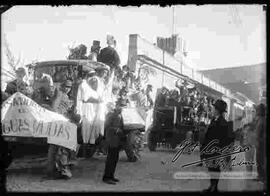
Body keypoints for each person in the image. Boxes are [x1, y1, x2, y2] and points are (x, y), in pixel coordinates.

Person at [201, 99, 231, 192]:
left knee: (215, 169)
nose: (212, 110)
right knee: (211, 168)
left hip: (216, 150)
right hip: (209, 149)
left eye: (213, 108)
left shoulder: (223, 122)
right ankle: (212, 186)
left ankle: (214, 187)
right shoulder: (214, 120)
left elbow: (224, 140)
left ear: (217, 110)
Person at [47, 80, 74, 180]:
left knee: (56, 148)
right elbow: (54, 108)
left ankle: (54, 170)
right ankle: (56, 171)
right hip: (58, 122)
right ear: (62, 86)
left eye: (69, 87)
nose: (68, 88)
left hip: (62, 121)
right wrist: (60, 117)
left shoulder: (65, 96)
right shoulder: (60, 94)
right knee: (57, 148)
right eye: (66, 86)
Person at [102, 99, 124, 185]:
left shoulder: (120, 115)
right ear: (116, 106)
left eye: (123, 106)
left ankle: (111, 176)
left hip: (117, 140)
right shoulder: (111, 115)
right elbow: (106, 127)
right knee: (110, 159)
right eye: (120, 105)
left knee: (115, 159)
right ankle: (106, 177)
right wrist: (116, 129)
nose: (121, 108)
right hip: (111, 140)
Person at [254, 103, 266, 188]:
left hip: (261, 145)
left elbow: (257, 134)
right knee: (261, 161)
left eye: (256, 110)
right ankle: (261, 176)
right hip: (262, 144)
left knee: (260, 161)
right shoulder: (263, 119)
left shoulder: (261, 120)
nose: (255, 111)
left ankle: (261, 177)